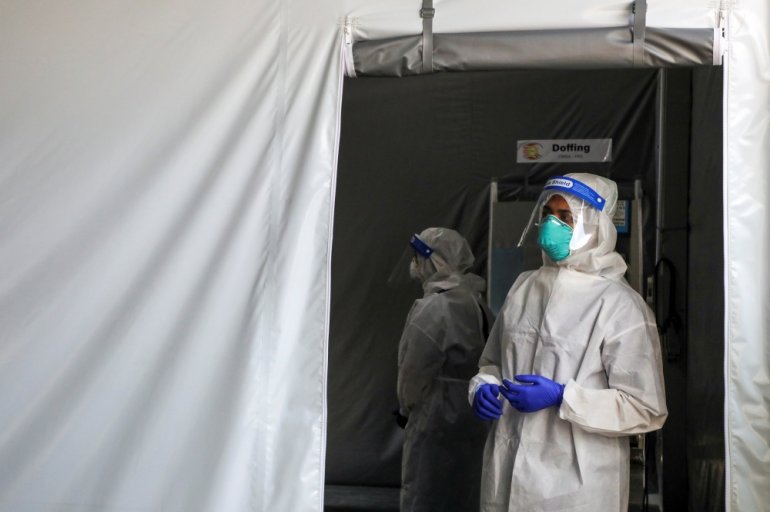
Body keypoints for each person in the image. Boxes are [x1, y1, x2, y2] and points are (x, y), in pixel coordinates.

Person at [469, 173, 667, 511]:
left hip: (577, 486)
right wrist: (483, 386)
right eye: (547, 214)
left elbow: (645, 408)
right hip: (508, 465)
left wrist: (564, 397)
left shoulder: (620, 305)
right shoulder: (523, 288)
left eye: (565, 217)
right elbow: (493, 362)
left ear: (595, 226)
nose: (551, 225)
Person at [397, 227, 492, 512]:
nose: (415, 265)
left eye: (418, 257)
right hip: (474, 417)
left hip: (435, 417)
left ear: (434, 261)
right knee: (465, 493)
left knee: (427, 493)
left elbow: (413, 371)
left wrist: (405, 408)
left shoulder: (433, 308)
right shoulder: (476, 302)